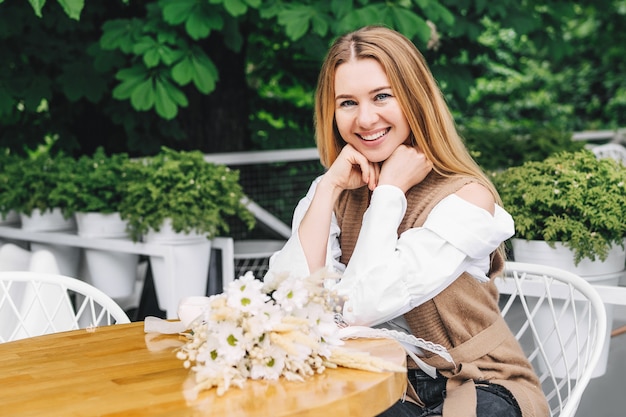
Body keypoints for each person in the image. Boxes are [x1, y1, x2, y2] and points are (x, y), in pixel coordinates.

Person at [264, 25, 548, 417]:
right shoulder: (335, 188)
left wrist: (390, 192)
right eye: (347, 102)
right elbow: (290, 298)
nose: (365, 118)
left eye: (382, 96)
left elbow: (362, 305)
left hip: (477, 382)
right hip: (378, 381)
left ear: (414, 99)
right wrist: (328, 186)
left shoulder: (467, 198)